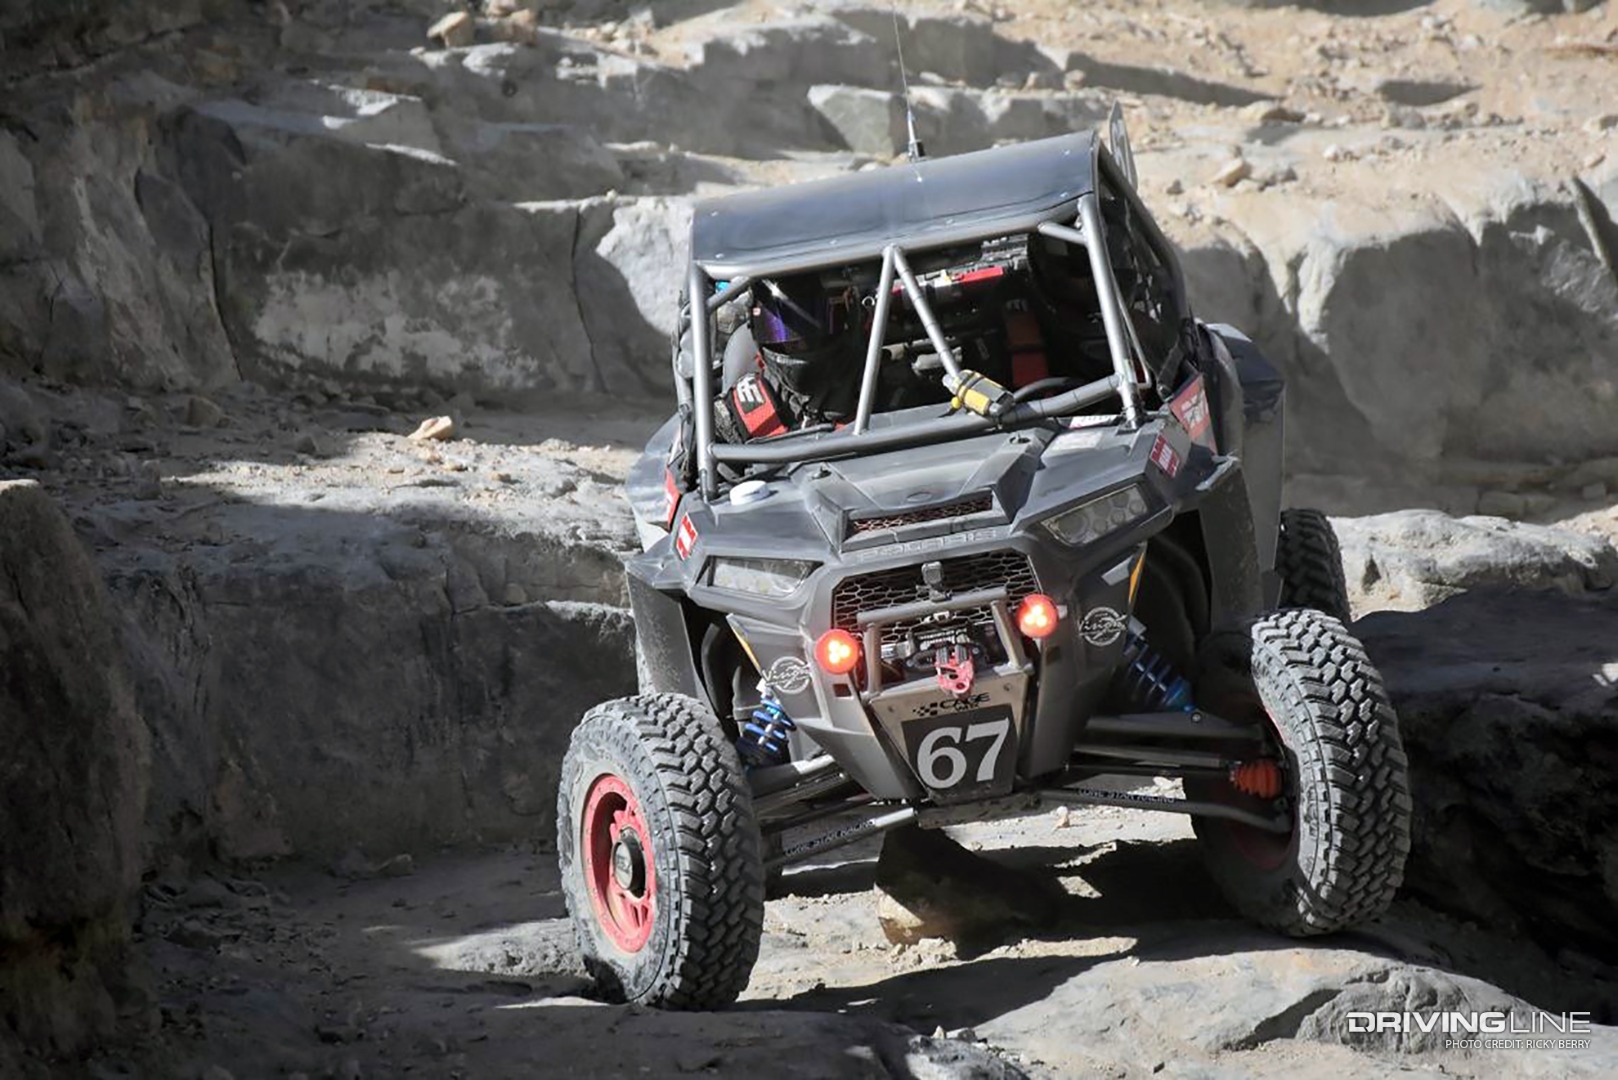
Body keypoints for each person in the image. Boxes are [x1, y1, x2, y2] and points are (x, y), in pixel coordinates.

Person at [714, 275, 863, 443]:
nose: (797, 344)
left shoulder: (878, 391)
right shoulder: (738, 416)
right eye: (779, 329)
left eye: (810, 328)